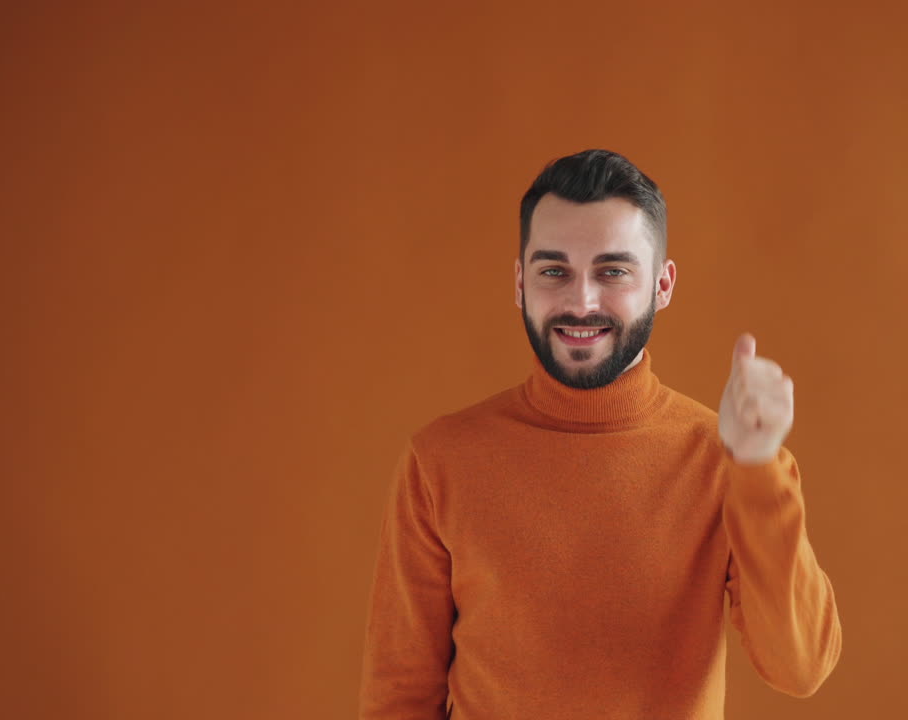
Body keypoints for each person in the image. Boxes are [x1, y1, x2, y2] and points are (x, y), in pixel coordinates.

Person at [358, 149, 842, 720]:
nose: (581, 301)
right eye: (553, 270)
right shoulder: (440, 461)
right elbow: (399, 699)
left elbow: (801, 667)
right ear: (520, 282)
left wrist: (757, 466)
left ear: (662, 285)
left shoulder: (728, 460)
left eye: (613, 271)